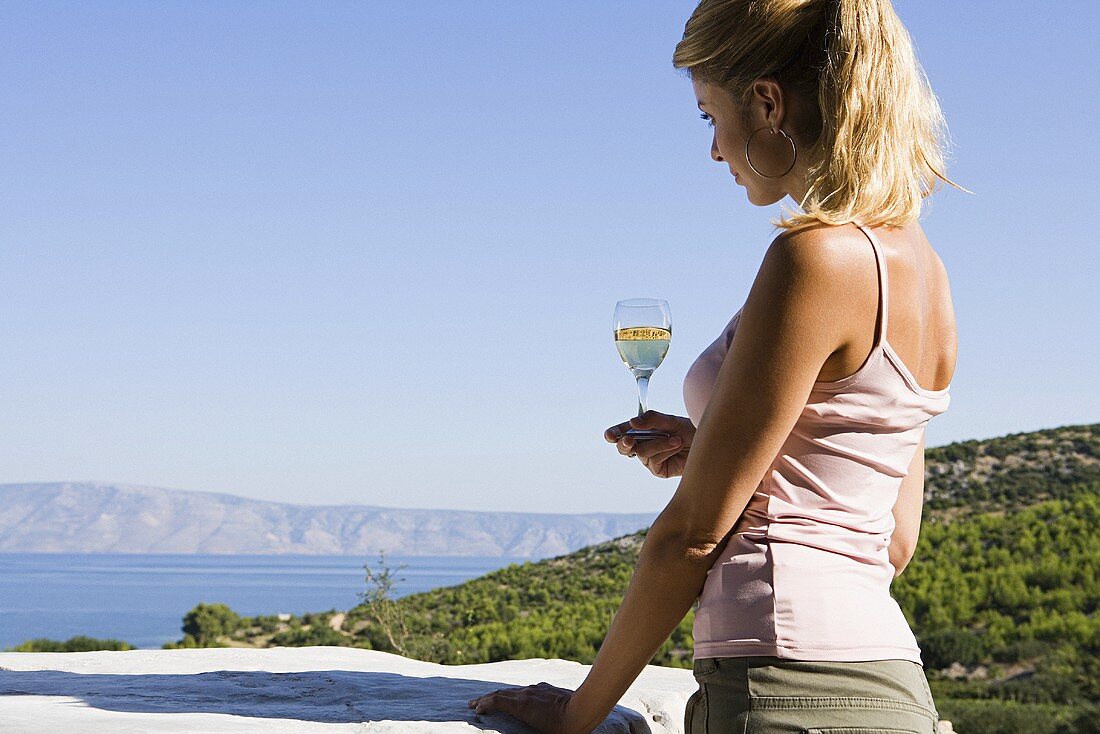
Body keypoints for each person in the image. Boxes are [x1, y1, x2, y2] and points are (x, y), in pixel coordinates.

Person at [468, 0, 958, 731]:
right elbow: (891, 537)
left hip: (780, 692)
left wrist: (579, 713)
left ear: (766, 102)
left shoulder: (815, 258)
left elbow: (691, 535)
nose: (714, 149)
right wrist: (717, 449)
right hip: (889, 687)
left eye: (708, 116)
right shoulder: (925, 272)